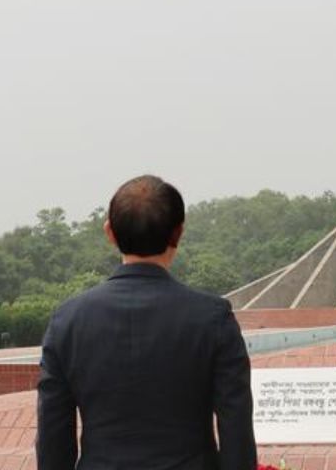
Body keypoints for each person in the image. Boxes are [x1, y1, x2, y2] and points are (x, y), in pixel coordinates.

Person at [36, 174, 257, 470]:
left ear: (110, 233)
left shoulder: (69, 321)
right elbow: (236, 432)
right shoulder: (212, 319)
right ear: (178, 233)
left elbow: (53, 438)